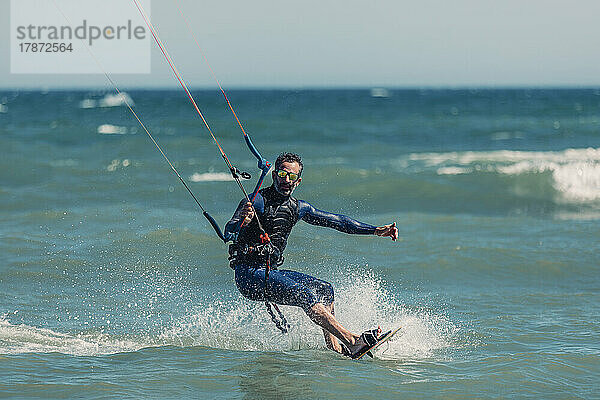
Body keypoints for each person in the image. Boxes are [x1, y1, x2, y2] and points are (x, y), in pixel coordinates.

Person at [225, 152, 398, 357]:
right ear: (274, 175)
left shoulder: (298, 208)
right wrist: (243, 221)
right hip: (249, 275)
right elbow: (229, 232)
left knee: (324, 289)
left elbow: (339, 222)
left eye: (291, 177)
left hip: (270, 272)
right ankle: (352, 341)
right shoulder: (256, 201)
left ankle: (335, 348)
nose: (286, 180)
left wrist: (375, 230)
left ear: (298, 181)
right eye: (282, 174)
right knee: (305, 295)